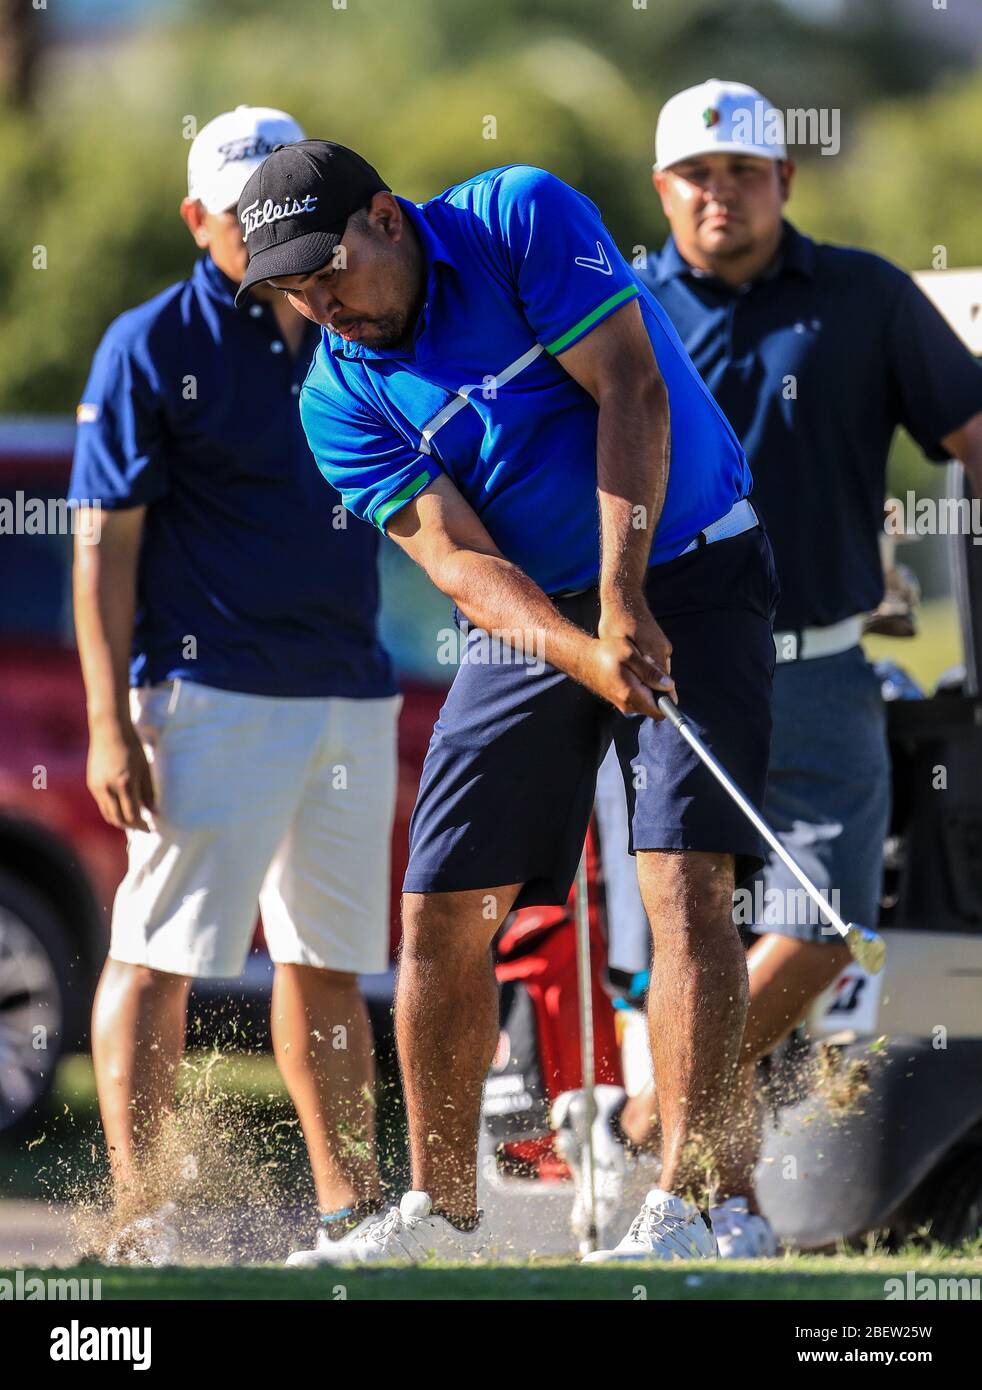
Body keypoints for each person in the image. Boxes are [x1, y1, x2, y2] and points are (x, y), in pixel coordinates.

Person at [234, 138, 780, 1263]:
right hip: (535, 616)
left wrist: (624, 601)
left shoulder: (518, 219)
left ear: (387, 217)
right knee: (439, 907)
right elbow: (452, 560)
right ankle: (440, 1217)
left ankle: (685, 1208)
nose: (320, 303)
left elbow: (629, 385)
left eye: (328, 269)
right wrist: (587, 652)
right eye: (292, 289)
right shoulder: (337, 393)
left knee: (682, 888)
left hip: (689, 561)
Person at [583, 78, 982, 1257]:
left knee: (823, 925)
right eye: (697, 176)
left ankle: (658, 1109)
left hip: (821, 671)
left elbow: (969, 434)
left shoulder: (865, 294)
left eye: (743, 172)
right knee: (692, 927)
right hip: (673, 670)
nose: (721, 194)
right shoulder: (618, 309)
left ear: (783, 181)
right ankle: (725, 1205)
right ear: (664, 190)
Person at [69, 108, 401, 1267]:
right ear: (194, 216)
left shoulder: (354, 318)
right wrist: (111, 723)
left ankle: (348, 1215)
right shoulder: (148, 343)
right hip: (208, 697)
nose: (258, 219)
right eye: (233, 202)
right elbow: (103, 549)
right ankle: (143, 1218)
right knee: (158, 957)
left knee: (328, 964)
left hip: (351, 687)